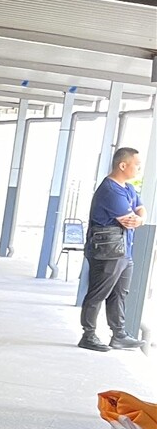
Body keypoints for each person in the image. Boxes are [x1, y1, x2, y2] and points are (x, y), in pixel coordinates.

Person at [80, 147, 145, 352]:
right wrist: (137, 218)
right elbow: (128, 220)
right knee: (98, 293)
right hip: (107, 252)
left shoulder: (128, 188)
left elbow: (140, 210)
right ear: (123, 165)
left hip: (124, 251)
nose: (139, 169)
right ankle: (88, 335)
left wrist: (140, 218)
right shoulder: (110, 190)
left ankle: (119, 335)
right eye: (137, 165)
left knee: (119, 293)